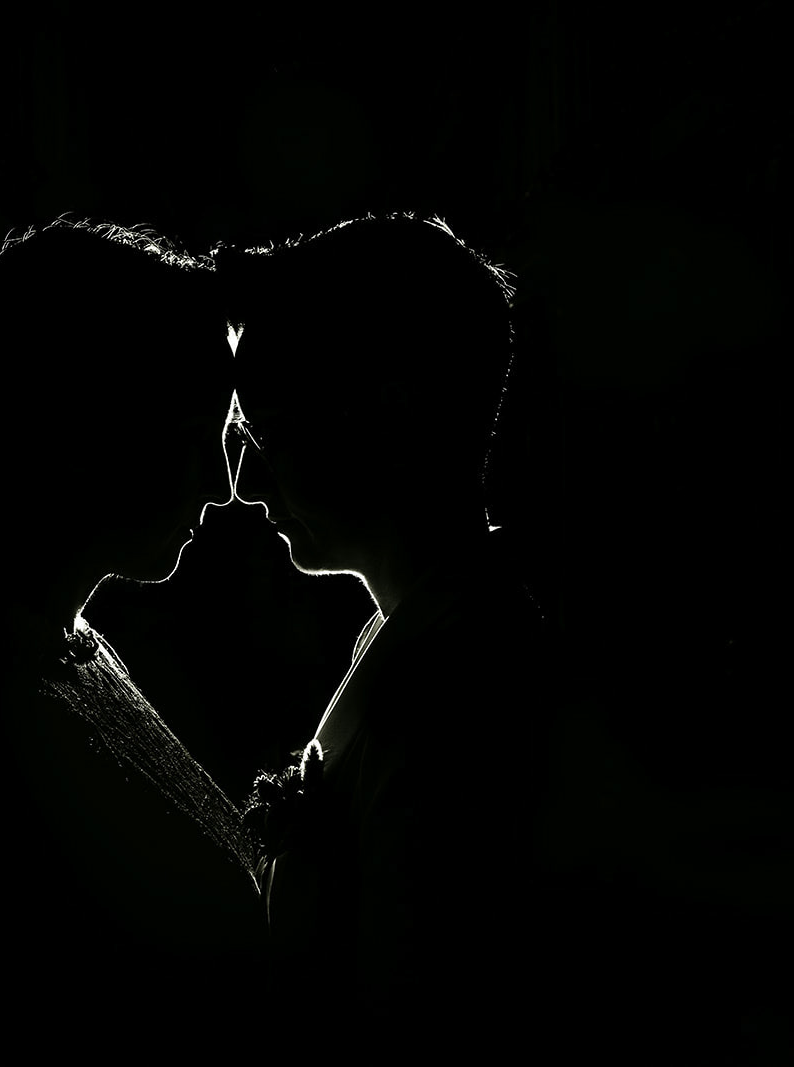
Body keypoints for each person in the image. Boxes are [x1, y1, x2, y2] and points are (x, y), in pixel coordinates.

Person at [0, 219, 263, 1064]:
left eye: (226, 440)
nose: (223, 486)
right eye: (194, 436)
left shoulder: (65, 647)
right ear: (87, 432)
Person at [221, 214, 570, 1044]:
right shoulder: (410, 631)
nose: (243, 483)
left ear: (389, 417)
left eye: (269, 434)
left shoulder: (453, 695)